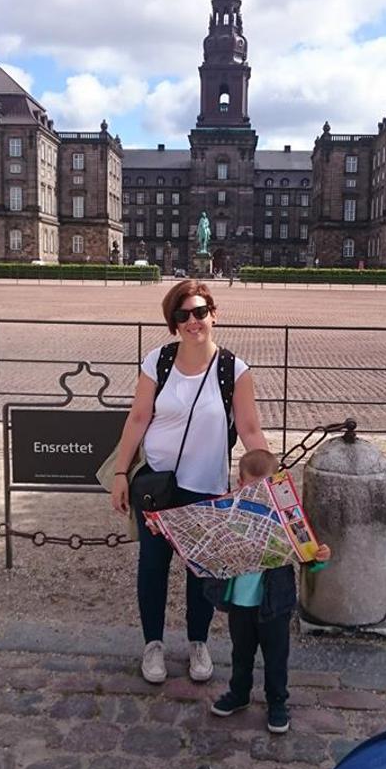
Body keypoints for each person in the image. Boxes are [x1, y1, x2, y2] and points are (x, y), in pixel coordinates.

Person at [111, 279, 268, 685]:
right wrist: (120, 473)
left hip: (206, 486)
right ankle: (153, 644)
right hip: (156, 486)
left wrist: (269, 483)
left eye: (200, 312)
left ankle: (198, 642)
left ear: (214, 315)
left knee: (202, 572)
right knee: (152, 567)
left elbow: (250, 430)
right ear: (174, 323)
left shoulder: (234, 370)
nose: (193, 321)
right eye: (183, 315)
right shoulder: (157, 362)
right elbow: (138, 419)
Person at [208, 448, 331, 734]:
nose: (258, 495)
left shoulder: (285, 520)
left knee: (276, 657)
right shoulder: (230, 516)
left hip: (275, 604)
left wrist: (319, 557)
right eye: (252, 488)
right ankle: (239, 693)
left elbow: (308, 557)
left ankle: (277, 702)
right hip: (239, 603)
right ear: (240, 483)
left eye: (264, 489)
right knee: (241, 653)